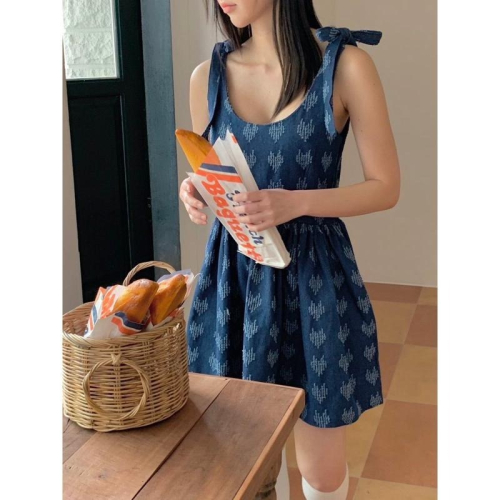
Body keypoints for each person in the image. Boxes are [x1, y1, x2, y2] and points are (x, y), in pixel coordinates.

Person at [179, 1, 400, 499]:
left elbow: (386, 187)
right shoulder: (206, 77)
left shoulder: (346, 65)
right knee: (250, 454)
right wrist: (197, 190)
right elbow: (222, 181)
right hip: (237, 277)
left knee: (320, 468)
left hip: (314, 280)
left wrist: (296, 203)